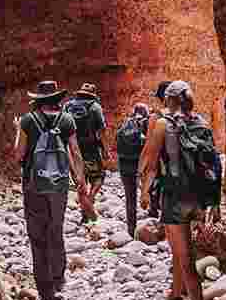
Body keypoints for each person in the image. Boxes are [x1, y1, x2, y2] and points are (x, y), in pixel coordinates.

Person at [139, 80, 219, 300]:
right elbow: (213, 163)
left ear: (169, 100)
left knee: (186, 260)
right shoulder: (203, 123)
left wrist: (144, 192)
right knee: (181, 252)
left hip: (175, 197)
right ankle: (175, 297)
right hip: (198, 197)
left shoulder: (164, 124)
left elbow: (150, 163)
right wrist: (214, 202)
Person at [14, 80, 88, 300]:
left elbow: (19, 155)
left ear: (38, 100)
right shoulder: (67, 120)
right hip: (59, 184)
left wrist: (18, 130)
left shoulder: (27, 120)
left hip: (34, 184)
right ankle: (58, 278)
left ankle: (46, 291)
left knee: (37, 236)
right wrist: (81, 181)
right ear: (57, 99)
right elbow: (75, 151)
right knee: (56, 228)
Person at [63, 83, 107, 223]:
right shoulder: (95, 107)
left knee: (80, 182)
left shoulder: (67, 106)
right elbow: (101, 130)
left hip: (72, 148)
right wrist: (105, 149)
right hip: (91, 148)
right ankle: (91, 198)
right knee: (99, 177)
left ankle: (84, 214)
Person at [115, 103, 150, 237]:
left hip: (124, 164)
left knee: (130, 197)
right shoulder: (146, 124)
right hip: (140, 163)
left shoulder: (125, 123)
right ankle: (154, 216)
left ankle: (131, 228)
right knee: (151, 190)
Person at [146, 80, 171, 218]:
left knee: (156, 180)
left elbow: (149, 147)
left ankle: (155, 209)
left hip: (164, 159)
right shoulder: (188, 115)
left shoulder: (157, 117)